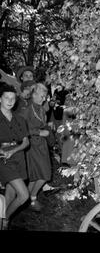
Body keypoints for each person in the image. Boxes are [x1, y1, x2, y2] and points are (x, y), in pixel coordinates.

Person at [0, 84, 30, 229]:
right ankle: (5, 219)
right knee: (24, 195)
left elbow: (26, 142)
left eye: (13, 98)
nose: (10, 100)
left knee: (10, 195)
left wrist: (14, 151)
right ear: (0, 99)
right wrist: (7, 152)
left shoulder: (20, 119)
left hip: (19, 158)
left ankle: (2, 221)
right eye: (6, 97)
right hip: (3, 159)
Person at [20, 83, 52, 211]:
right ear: (33, 94)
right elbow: (21, 129)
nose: (44, 99)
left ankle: (26, 200)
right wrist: (38, 132)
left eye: (45, 96)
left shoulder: (41, 108)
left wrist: (47, 127)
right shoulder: (27, 110)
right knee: (44, 174)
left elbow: (42, 123)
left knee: (37, 174)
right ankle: (32, 197)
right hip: (32, 144)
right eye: (42, 96)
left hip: (41, 144)